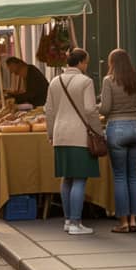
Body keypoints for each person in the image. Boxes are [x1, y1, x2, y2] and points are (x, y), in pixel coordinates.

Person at [45, 48, 102, 235]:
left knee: (66, 177)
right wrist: (98, 131)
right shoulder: (85, 81)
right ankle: (76, 222)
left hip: (60, 134)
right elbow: (90, 110)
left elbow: (50, 111)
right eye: (86, 62)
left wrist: (51, 133)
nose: (87, 66)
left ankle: (68, 219)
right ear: (81, 62)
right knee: (79, 178)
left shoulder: (55, 81)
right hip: (79, 135)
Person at [100, 48, 136, 233]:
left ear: (112, 63)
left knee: (120, 176)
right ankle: (134, 219)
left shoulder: (108, 81)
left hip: (117, 128)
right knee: (133, 176)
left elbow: (105, 109)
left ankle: (124, 222)